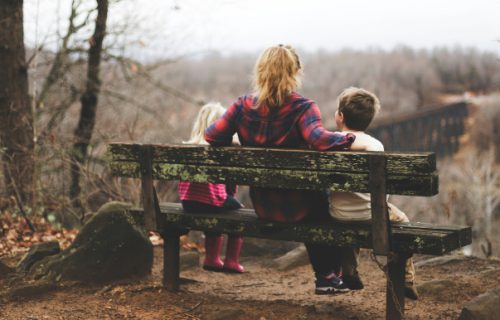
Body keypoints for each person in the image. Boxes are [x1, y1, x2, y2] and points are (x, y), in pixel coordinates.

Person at [204, 45, 355, 294]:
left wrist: (234, 143)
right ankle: (328, 275)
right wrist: (347, 138)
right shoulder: (303, 108)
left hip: (264, 205)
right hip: (302, 206)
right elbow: (318, 139)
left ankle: (330, 276)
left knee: (316, 201)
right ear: (295, 72)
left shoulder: (242, 106)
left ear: (260, 71)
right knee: (323, 203)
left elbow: (212, 135)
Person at [329, 87, 419, 300]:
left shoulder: (330, 142)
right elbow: (381, 190)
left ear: (340, 116)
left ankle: (349, 271)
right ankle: (406, 277)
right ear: (368, 120)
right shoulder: (375, 145)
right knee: (402, 221)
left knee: (349, 224)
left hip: (338, 214)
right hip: (372, 215)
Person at [178, 102, 245, 273]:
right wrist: (231, 196)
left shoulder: (189, 147)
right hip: (212, 202)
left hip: (188, 202)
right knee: (238, 212)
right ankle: (231, 261)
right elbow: (229, 186)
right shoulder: (221, 149)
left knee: (217, 208)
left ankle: (212, 258)